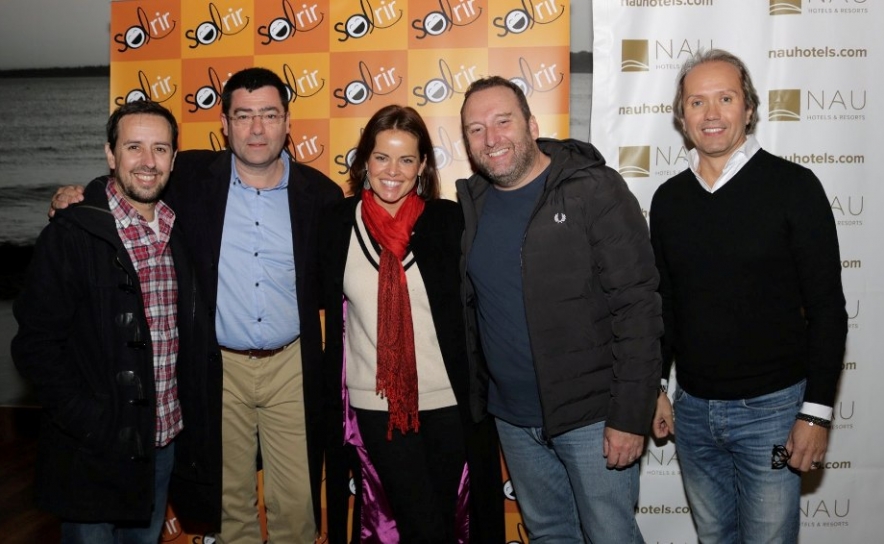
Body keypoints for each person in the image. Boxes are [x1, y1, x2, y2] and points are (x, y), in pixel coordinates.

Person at [50, 67, 344, 543]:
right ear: (224, 123)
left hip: (291, 365)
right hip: (215, 366)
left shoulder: (322, 196)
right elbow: (133, 176)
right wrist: (78, 196)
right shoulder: (189, 177)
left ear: (288, 122)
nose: (256, 128)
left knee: (296, 503)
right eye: (243, 115)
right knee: (228, 503)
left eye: (269, 115)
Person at [650, 49, 848, 543]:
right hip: (692, 413)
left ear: (750, 108)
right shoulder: (668, 200)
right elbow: (664, 305)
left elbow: (827, 308)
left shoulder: (794, 187)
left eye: (725, 98)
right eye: (697, 102)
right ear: (681, 117)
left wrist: (816, 413)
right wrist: (654, 385)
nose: (711, 113)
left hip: (774, 414)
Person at [457, 76, 662, 543]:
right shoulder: (474, 203)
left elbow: (638, 307)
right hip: (513, 419)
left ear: (531, 125)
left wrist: (630, 414)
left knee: (611, 536)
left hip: (593, 419)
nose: (491, 138)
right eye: (476, 129)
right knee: (549, 535)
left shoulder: (593, 189)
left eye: (503, 121)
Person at [12, 100, 221, 543]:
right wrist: (90, 421)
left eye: (160, 149)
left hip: (162, 443)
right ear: (110, 154)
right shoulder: (71, 233)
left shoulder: (178, 230)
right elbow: (35, 346)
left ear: (174, 159)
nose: (148, 161)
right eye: (133, 147)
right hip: (93, 448)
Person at [320, 104, 505, 543]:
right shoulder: (335, 224)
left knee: (444, 519)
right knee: (420, 523)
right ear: (364, 161)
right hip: (377, 404)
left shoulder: (449, 222)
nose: (392, 171)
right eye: (382, 157)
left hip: (447, 403)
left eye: (406, 159)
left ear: (422, 165)